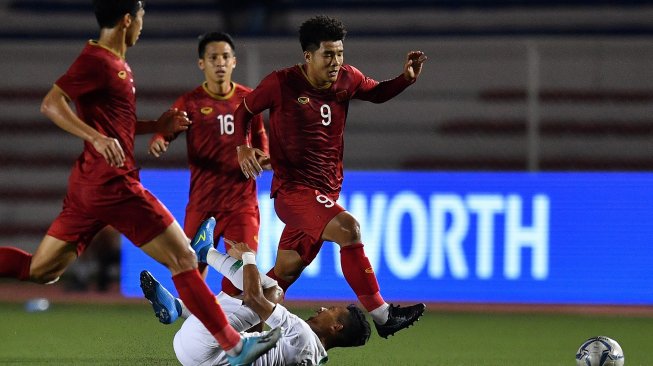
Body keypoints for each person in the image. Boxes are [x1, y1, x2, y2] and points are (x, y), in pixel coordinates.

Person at [0, 2, 278, 364]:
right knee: (184, 257)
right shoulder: (98, 61)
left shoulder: (116, 66)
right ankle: (236, 346)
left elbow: (116, 127)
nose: (142, 28)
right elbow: (52, 104)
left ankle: (206, 324)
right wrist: (96, 139)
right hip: (113, 183)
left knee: (40, 270)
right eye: (142, 19)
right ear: (128, 20)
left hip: (87, 185)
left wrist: (154, 128)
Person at [234, 15, 428, 338]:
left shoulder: (347, 79)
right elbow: (243, 110)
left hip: (325, 193)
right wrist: (243, 147)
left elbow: (376, 92)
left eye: (340, 53)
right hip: (293, 193)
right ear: (308, 56)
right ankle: (383, 316)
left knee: (282, 275)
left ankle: (233, 334)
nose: (336, 61)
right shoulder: (281, 83)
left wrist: (404, 79)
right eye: (328, 54)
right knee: (349, 228)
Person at [141, 217, 371, 366]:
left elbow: (253, 298)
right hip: (194, 357)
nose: (321, 308)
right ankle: (180, 308)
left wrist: (248, 257)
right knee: (250, 311)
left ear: (336, 327)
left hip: (202, 342)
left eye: (330, 310)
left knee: (273, 291)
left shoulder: (301, 333)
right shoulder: (315, 360)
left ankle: (206, 253)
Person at [148, 31, 268, 299]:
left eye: (225, 57)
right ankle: (197, 333)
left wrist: (263, 157)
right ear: (202, 63)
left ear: (234, 62)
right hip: (203, 205)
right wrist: (160, 139)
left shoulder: (248, 100)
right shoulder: (191, 103)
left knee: (245, 276)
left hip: (241, 206)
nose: (220, 62)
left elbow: (261, 139)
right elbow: (168, 126)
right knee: (190, 274)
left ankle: (259, 336)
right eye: (213, 57)